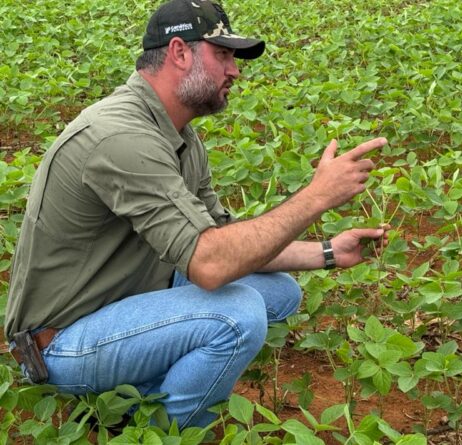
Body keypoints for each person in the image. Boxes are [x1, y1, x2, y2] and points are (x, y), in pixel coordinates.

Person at [5, 0, 389, 429]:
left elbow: (221, 237)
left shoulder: (177, 135)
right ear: (179, 53)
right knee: (237, 311)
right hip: (62, 343)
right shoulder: (121, 137)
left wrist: (328, 252)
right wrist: (316, 196)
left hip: (123, 303)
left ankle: (136, 395)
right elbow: (211, 264)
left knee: (279, 293)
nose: (235, 71)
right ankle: (147, 430)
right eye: (223, 55)